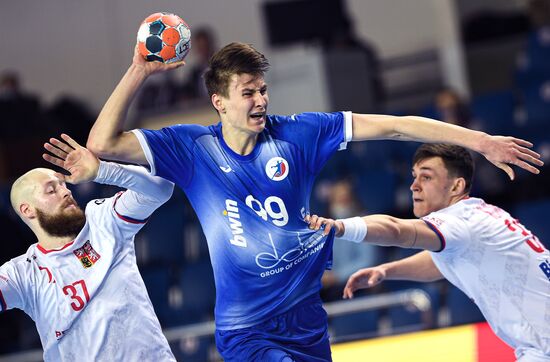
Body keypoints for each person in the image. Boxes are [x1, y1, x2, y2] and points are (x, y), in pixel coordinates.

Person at [86, 41, 543, 361]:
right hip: (248, 329)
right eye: (248, 92)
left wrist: (481, 141)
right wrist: (141, 70)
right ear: (220, 102)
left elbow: (395, 125)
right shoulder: (191, 149)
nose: (261, 100)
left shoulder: (299, 133)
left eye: (263, 89)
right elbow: (102, 142)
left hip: (306, 320)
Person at [307, 144, 549, 362]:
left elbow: (396, 229)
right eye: (414, 177)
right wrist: (386, 270)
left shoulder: (459, 222)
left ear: (456, 185)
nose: (414, 185)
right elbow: (439, 262)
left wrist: (340, 226)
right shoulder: (477, 217)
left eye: (426, 177)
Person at [1, 134, 176, 361]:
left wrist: (102, 170)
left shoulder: (104, 220)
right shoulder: (24, 274)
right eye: (51, 190)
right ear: (27, 210)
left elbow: (162, 187)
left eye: (64, 185)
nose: (66, 192)